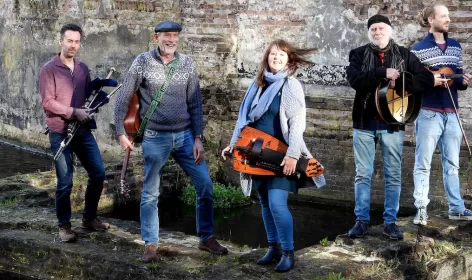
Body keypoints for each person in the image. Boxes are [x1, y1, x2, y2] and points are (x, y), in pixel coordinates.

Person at [114, 20, 228, 263]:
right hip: (155, 137)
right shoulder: (142, 62)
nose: (171, 40)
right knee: (150, 193)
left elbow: (195, 103)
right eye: (167, 35)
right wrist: (120, 134)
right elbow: (123, 98)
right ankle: (151, 244)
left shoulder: (186, 63)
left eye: (175, 36)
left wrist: (198, 137)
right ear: (156, 37)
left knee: (205, 184)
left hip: (185, 136)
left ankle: (206, 237)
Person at [221, 39, 326, 272]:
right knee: (265, 204)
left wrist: (291, 156)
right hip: (256, 155)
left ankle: (289, 252)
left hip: (280, 156)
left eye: (281, 55)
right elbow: (244, 121)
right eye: (273, 54)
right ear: (266, 58)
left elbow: (298, 125)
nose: (276, 58)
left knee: (278, 204)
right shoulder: (256, 85)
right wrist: (233, 146)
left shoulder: (291, 85)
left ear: (289, 59)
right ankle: (273, 247)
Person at [345, 14, 439, 240]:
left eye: (381, 28)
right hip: (364, 124)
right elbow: (354, 79)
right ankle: (361, 221)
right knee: (363, 175)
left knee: (393, 175)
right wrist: (381, 73)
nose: (378, 32)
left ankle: (390, 222)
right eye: (373, 29)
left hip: (393, 125)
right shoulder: (358, 54)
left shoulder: (405, 55)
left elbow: (426, 79)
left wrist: (404, 81)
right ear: (369, 33)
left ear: (389, 30)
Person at [411, 3, 472, 225]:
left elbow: (457, 82)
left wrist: (464, 81)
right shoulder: (418, 49)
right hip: (428, 113)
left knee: (452, 164)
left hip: (452, 113)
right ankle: (421, 209)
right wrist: (432, 80)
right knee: (423, 164)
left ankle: (457, 208)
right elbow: (413, 83)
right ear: (431, 20)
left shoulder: (455, 47)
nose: (448, 19)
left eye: (448, 16)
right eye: (444, 16)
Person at [39, 23, 110, 243]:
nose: (73, 45)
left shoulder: (82, 69)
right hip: (60, 132)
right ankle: (64, 226)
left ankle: (89, 218)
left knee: (98, 173)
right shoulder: (48, 69)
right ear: (60, 41)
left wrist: (97, 99)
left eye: (77, 41)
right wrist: (73, 112)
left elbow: (87, 94)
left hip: (82, 131)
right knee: (65, 182)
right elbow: (48, 103)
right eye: (69, 41)